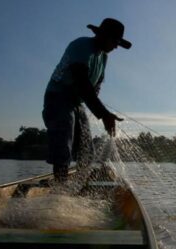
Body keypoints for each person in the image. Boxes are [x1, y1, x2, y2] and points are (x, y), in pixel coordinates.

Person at [43, 18, 130, 182]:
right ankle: (60, 190)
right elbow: (82, 82)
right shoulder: (82, 46)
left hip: (77, 102)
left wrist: (101, 110)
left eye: (118, 42)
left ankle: (80, 184)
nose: (116, 46)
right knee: (63, 141)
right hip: (58, 97)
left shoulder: (103, 57)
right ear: (102, 35)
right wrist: (104, 114)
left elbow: (95, 86)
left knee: (86, 150)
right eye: (114, 41)